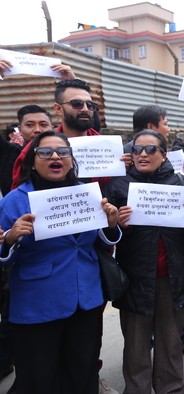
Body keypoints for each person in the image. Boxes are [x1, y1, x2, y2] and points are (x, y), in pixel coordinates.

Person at [0, 131, 120, 393]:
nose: (55, 156)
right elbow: (3, 254)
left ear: (70, 160)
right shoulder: (14, 201)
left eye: (63, 152)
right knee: (39, 376)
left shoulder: (86, 193)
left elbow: (98, 243)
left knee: (83, 370)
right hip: (38, 304)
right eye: (45, 152)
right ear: (32, 161)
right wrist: (10, 237)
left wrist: (110, 225)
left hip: (86, 297)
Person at [103, 130, 184, 393]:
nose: (142, 155)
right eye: (137, 150)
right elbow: (106, 235)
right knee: (136, 347)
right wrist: (116, 224)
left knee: (170, 344)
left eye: (150, 150)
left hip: (172, 277)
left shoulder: (180, 182)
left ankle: (172, 389)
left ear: (164, 154)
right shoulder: (117, 186)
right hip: (134, 278)